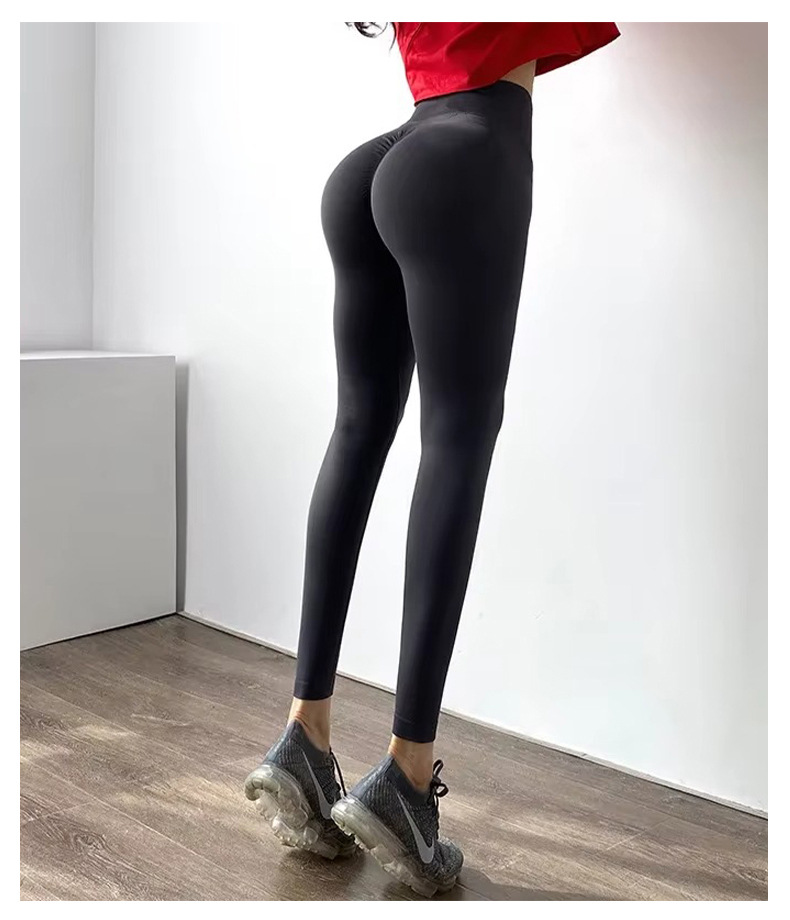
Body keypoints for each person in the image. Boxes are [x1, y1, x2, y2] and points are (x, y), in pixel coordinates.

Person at [245, 21, 621, 897]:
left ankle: (305, 737)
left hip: (379, 164)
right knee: (458, 433)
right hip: (469, 151)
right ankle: (407, 777)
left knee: (358, 427)